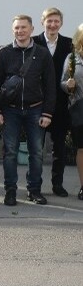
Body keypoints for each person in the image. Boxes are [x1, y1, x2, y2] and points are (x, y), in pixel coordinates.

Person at [0, 15, 55, 206]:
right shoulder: (3, 53)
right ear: (13, 30)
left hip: (36, 109)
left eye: (24, 27)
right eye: (17, 28)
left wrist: (47, 113)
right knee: (10, 152)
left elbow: (50, 86)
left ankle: (34, 190)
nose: (20, 31)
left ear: (32, 29)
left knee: (36, 153)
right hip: (10, 111)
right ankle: (10, 191)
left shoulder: (42, 54)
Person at [33, 7, 74, 197]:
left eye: (56, 21)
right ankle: (35, 185)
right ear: (43, 22)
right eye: (49, 21)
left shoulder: (69, 44)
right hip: (37, 103)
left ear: (61, 23)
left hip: (61, 103)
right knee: (36, 149)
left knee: (59, 148)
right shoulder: (34, 42)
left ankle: (57, 184)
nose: (53, 24)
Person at [60, 25, 83, 200]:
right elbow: (63, 82)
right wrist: (68, 86)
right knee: (82, 149)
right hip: (79, 107)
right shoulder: (73, 58)